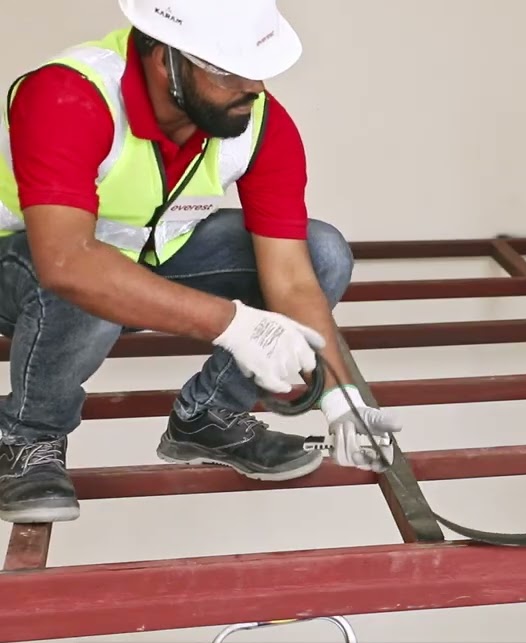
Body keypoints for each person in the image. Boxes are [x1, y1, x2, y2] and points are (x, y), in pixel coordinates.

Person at [0, 0, 399, 524]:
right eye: (232, 73)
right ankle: (26, 439)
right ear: (167, 58)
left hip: (137, 266)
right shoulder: (69, 94)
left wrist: (341, 397)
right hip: (24, 271)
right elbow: (66, 262)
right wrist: (235, 325)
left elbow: (294, 278)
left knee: (323, 250)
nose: (253, 90)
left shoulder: (256, 120)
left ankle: (209, 417)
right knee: (89, 274)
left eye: (260, 73)